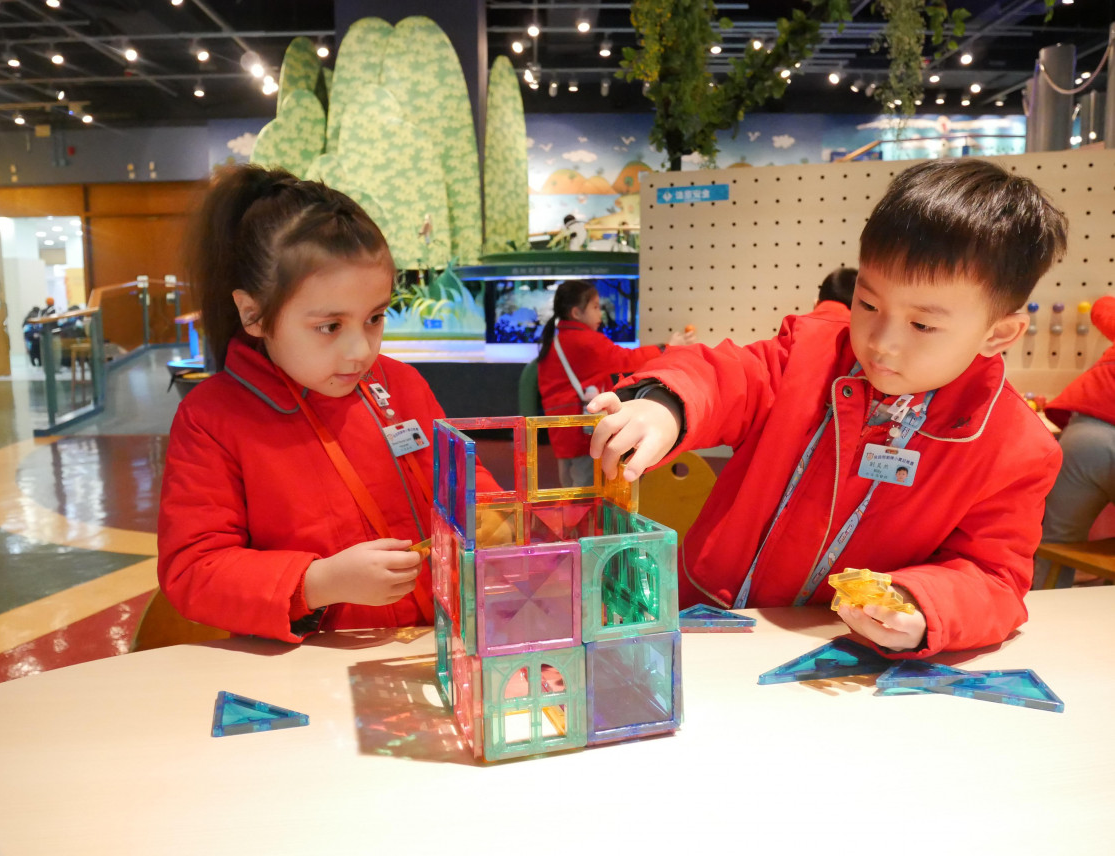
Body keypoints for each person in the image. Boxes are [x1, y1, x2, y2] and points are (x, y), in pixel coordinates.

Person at [587, 158, 1068, 657]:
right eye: (868, 304)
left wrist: (922, 604)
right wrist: (664, 402)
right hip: (705, 621)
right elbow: (729, 375)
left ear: (999, 333)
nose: (881, 342)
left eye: (922, 325)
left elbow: (993, 576)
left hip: (840, 654)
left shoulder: (1016, 449)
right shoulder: (809, 353)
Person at [157, 164, 500, 642]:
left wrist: (493, 516)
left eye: (375, 318)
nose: (360, 351)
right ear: (253, 314)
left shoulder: (401, 383)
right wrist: (319, 582)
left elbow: (463, 480)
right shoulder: (212, 418)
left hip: (436, 643)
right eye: (330, 326)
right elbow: (194, 570)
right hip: (312, 664)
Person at [536, 279, 693, 487]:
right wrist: (666, 348)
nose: (600, 314)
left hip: (561, 429)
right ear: (576, 313)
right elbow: (626, 359)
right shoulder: (587, 341)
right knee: (588, 488)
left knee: (570, 485)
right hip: (583, 431)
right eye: (595, 307)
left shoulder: (555, 341)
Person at [1037, 294, 1115, 588]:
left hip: (1087, 435)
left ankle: (1045, 604)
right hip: (1089, 436)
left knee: (1055, 542)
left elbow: (1103, 308)